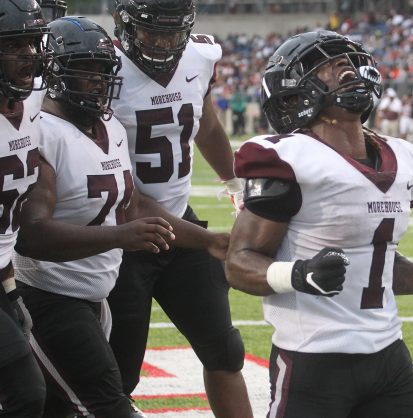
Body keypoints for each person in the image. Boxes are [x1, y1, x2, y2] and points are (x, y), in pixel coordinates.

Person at [226, 30, 413, 418]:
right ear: (294, 93)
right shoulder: (290, 158)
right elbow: (239, 262)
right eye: (327, 64)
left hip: (389, 357)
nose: (344, 67)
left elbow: (373, 265)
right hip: (313, 359)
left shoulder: (405, 158)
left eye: (348, 60)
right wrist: (298, 275)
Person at [13, 16, 229, 417]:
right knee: (110, 406)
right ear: (56, 75)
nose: (98, 82)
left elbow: (134, 204)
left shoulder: (107, 125)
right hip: (49, 297)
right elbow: (33, 235)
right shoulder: (42, 131)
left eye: (103, 72)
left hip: (94, 296)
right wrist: (119, 237)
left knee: (58, 408)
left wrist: (210, 240)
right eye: (86, 72)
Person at [105, 1, 253, 416]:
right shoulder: (103, 69)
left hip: (179, 223)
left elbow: (204, 123)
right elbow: (130, 200)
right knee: (116, 375)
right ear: (125, 22)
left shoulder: (201, 56)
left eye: (173, 33)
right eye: (152, 31)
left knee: (224, 350)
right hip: (120, 237)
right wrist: (209, 240)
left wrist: (235, 185)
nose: (163, 42)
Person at [0, 1, 49, 416]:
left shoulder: (29, 107)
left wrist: (11, 290)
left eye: (31, 43)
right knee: (26, 392)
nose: (28, 54)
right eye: (13, 44)